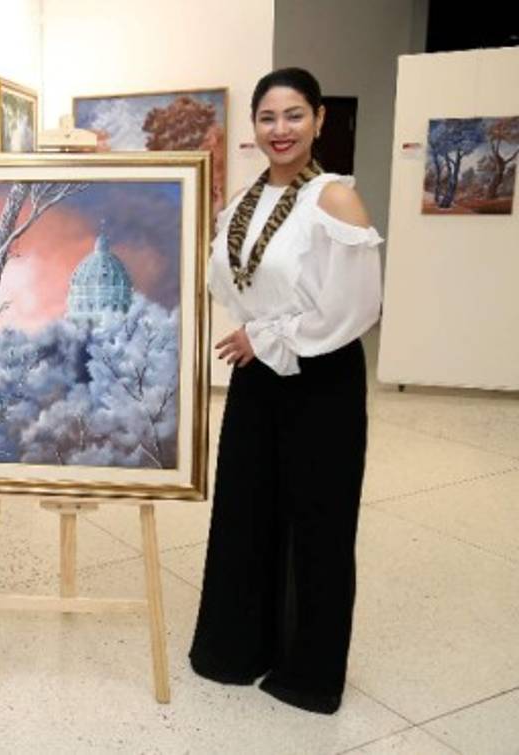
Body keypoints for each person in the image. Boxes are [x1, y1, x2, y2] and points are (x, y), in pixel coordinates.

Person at [189, 67, 382, 714]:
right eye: (268, 117)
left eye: (295, 115)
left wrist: (264, 338)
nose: (281, 129)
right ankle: (236, 649)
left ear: (320, 119)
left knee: (318, 522)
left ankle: (309, 673)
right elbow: (229, 280)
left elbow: (354, 308)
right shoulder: (244, 201)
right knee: (247, 511)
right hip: (256, 378)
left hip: (319, 378)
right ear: (253, 127)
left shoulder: (335, 199)